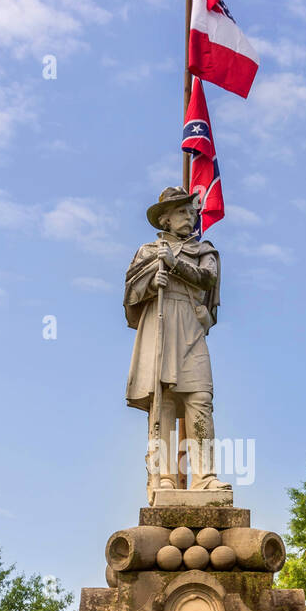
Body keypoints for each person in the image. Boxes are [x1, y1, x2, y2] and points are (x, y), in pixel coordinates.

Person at [124, 186, 228, 495]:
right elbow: (130, 294)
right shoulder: (147, 252)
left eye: (191, 211)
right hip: (159, 323)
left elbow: (207, 277)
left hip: (190, 324)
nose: (190, 216)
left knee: (200, 399)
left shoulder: (203, 250)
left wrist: (173, 264)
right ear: (166, 220)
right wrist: (150, 283)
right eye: (182, 212)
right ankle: (164, 476)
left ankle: (205, 477)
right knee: (163, 402)